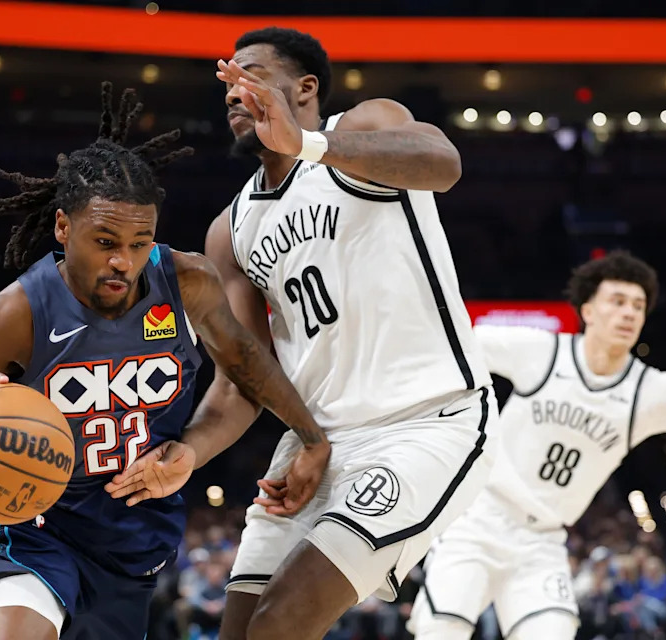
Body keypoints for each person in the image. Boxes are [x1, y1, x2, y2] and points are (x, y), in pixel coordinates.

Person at [0, 82, 330, 640]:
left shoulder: (188, 281)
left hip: (133, 546)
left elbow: (248, 373)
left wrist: (276, 441)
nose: (123, 261)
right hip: (31, 534)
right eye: (104, 241)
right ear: (62, 227)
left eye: (140, 241)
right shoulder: (12, 316)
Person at [107, 27, 498, 640]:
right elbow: (243, 377)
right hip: (313, 445)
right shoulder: (230, 230)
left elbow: (444, 165)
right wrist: (190, 453)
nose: (234, 94)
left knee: (283, 623)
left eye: (251, 77)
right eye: (226, 85)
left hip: (423, 424)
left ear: (305, 87)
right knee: (238, 633)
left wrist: (312, 144)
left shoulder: (366, 126)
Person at [408, 251, 666, 640]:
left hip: (543, 541)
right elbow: (454, 340)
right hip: (477, 520)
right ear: (588, 310)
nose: (629, 313)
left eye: (638, 306)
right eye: (618, 302)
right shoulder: (543, 351)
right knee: (440, 631)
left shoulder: (651, 392)